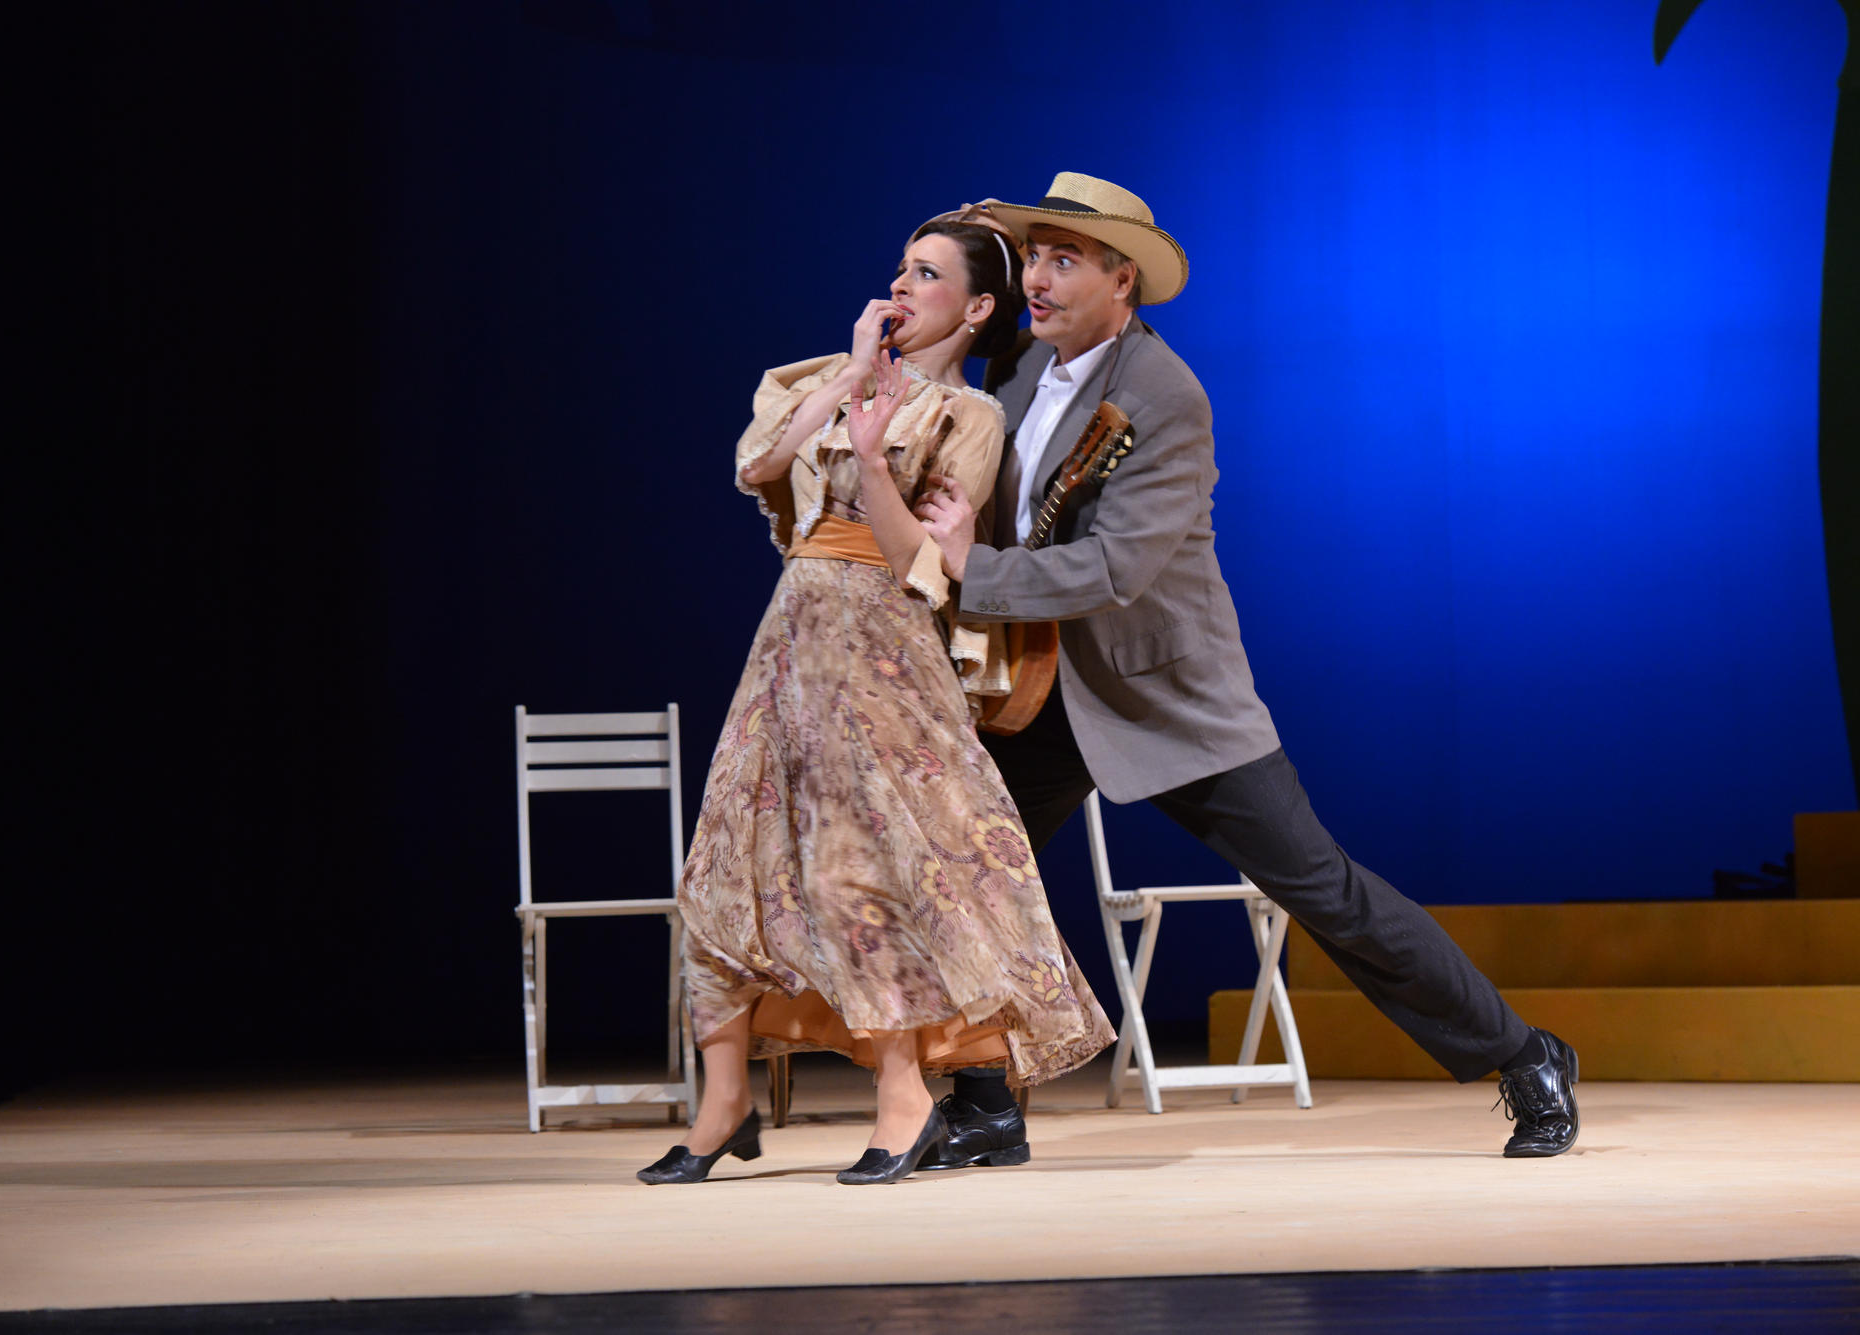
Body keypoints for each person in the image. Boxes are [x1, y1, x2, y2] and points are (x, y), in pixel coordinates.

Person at [913, 173, 1581, 1166]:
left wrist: (974, 567)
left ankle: (1524, 1056)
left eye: (1065, 260)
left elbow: (1116, 567)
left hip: (1165, 692)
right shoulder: (1017, 369)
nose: (1038, 280)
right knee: (959, 866)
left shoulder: (1163, 395)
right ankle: (983, 1102)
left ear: (1122, 280)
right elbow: (959, 313)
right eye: (1034, 258)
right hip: (1046, 691)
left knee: (1324, 892)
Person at [637, 213, 1114, 1187]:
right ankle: (723, 1103)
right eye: (900, 268)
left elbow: (920, 565)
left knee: (861, 872)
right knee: (723, 861)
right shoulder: (833, 380)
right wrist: (851, 382)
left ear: (975, 309)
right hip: (791, 637)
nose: (901, 286)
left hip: (881, 646)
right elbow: (757, 466)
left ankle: (905, 1098)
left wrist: (871, 461)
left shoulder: (970, 417)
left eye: (926, 274)